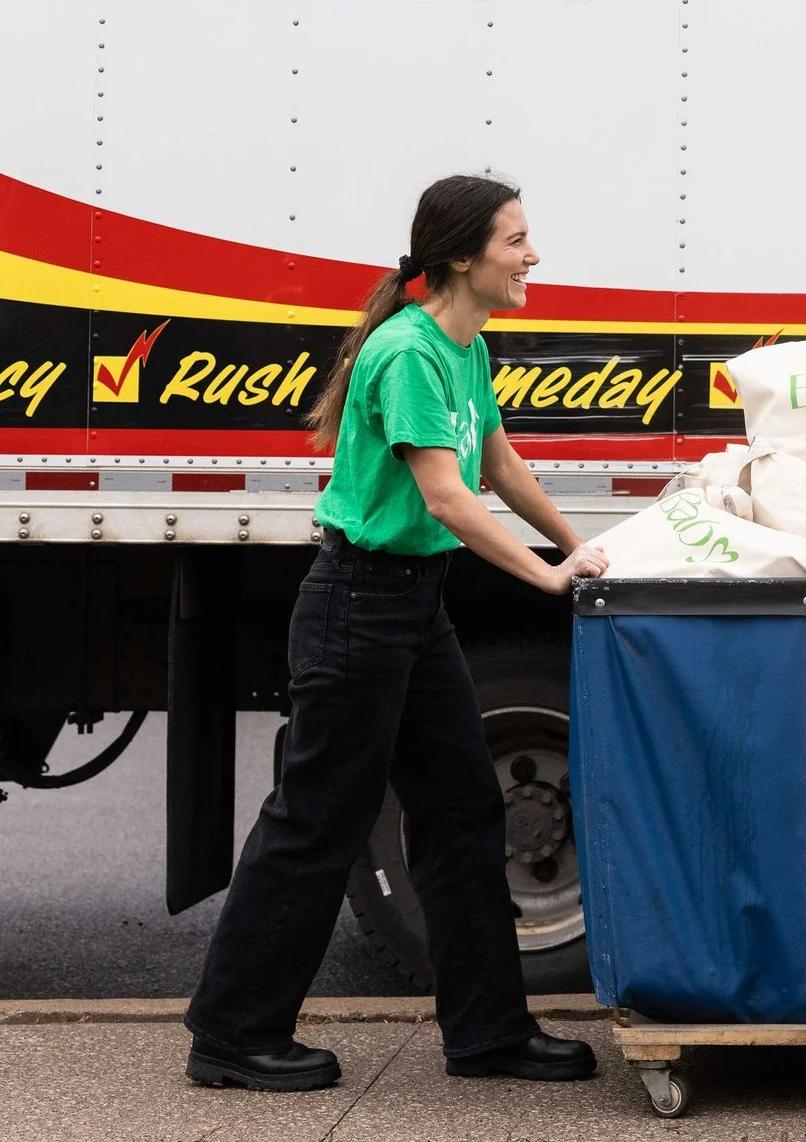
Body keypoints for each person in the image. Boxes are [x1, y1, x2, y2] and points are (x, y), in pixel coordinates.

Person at [185, 175, 609, 1092]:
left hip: (414, 608)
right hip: (356, 606)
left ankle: (489, 1031)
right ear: (463, 255)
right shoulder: (410, 351)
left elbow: (497, 462)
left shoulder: (465, 347)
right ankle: (232, 1031)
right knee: (318, 819)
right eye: (517, 240)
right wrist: (542, 576)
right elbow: (445, 492)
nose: (532, 255)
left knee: (464, 813)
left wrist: (581, 545)